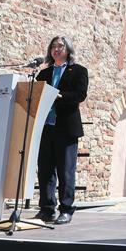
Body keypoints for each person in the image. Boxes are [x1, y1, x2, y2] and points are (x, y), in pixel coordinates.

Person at [34, 36, 88, 225]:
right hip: (46, 127)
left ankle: (66, 209)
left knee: (66, 171)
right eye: (53, 47)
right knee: (45, 170)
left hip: (66, 127)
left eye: (60, 46)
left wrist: (60, 95)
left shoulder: (79, 71)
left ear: (68, 50)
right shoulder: (43, 74)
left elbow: (80, 95)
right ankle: (47, 209)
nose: (56, 49)